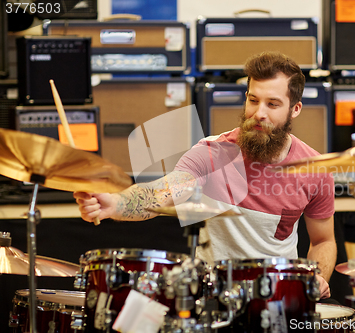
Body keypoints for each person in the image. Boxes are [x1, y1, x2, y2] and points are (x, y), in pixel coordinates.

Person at [74, 51, 337, 299]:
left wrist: (318, 278)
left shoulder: (315, 170)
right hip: (214, 296)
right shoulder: (212, 153)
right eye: (253, 100)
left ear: (296, 109)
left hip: (279, 297)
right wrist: (114, 204)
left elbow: (323, 240)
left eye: (273, 104)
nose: (259, 113)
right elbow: (163, 194)